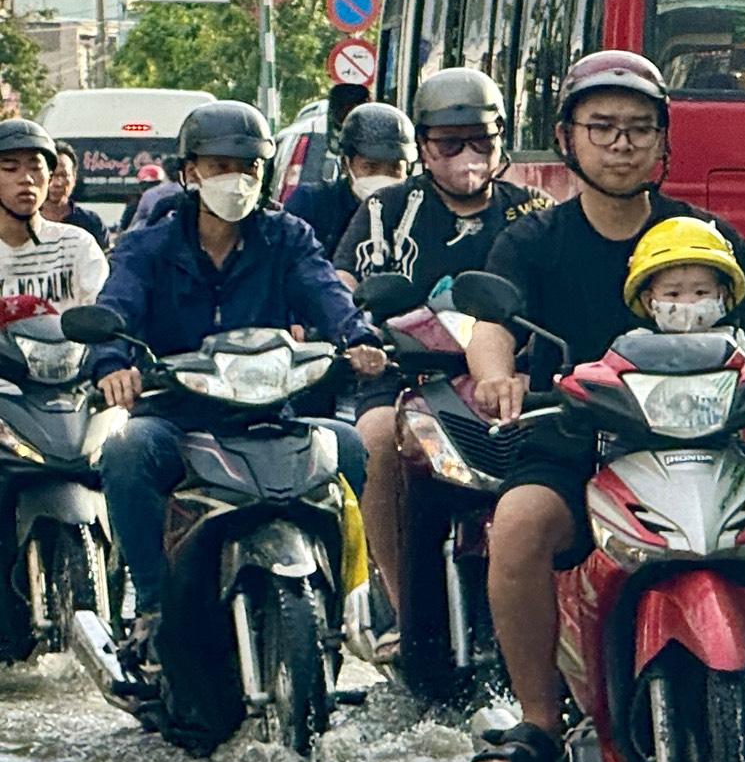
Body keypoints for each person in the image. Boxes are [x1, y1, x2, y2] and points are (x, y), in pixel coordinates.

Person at [460, 51, 745, 762]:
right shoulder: (532, 242)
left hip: (711, 446)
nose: (621, 143)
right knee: (515, 523)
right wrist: (497, 376)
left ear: (664, 141)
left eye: (639, 128)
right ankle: (539, 722)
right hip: (575, 444)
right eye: (602, 127)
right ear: (567, 137)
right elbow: (491, 326)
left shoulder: (709, 239)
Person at [90, 102, 386, 657]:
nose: (237, 177)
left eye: (249, 166)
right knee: (125, 450)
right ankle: (154, 603)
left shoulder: (288, 236)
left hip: (270, 418)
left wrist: (359, 338)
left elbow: (328, 293)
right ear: (190, 171)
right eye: (221, 164)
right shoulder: (149, 246)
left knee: (348, 445)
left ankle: (350, 598)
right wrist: (113, 365)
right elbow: (116, 310)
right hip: (178, 419)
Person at [335, 78, 550, 645]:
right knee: (374, 439)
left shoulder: (534, 214)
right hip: (405, 377)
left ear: (502, 141)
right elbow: (342, 288)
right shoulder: (385, 211)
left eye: (479, 141)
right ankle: (401, 602)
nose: (466, 157)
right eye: (449, 144)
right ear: (424, 147)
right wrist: (356, 339)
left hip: (515, 384)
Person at [281, 102, 413, 259]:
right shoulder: (311, 205)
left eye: (395, 169)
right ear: (346, 164)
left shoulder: (420, 212)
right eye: (370, 167)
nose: (383, 177)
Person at [0, 119, 107, 309]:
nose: (26, 179)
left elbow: (103, 309)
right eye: (10, 168)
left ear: (49, 176)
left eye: (36, 168)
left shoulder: (77, 246)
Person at [625, 215, 745, 334]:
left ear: (722, 296)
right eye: (673, 294)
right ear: (649, 302)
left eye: (701, 292)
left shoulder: (734, 341)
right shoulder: (635, 344)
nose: (688, 302)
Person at [36, 144, 111, 250]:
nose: (57, 183)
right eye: (52, 175)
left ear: (74, 178)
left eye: (63, 175)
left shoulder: (91, 222)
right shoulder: (25, 221)